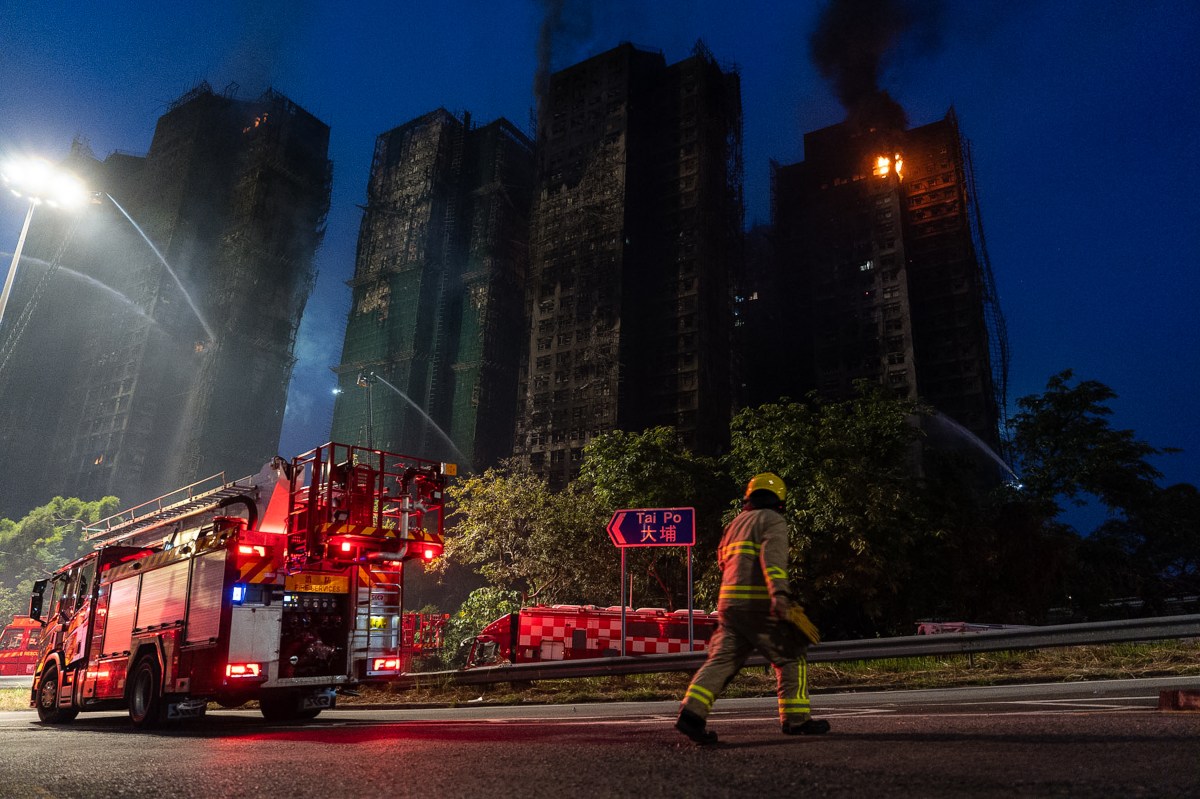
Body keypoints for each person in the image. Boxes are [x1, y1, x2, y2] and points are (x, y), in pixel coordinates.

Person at [676, 472, 830, 744]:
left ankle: (691, 714)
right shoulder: (773, 520)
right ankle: (797, 721)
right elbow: (772, 559)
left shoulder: (735, 523)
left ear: (749, 497)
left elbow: (723, 561)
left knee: (721, 661)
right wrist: (780, 595)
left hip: (729, 606)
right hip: (760, 605)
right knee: (791, 656)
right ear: (779, 500)